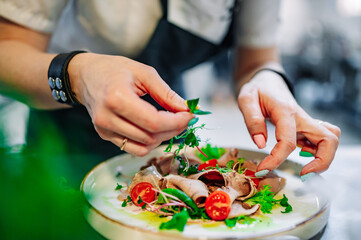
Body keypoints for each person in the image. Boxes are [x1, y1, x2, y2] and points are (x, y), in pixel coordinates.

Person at [0, 0, 340, 180]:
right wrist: (79, 76)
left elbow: (256, 59)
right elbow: (7, 50)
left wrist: (269, 82)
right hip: (60, 134)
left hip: (167, 143)